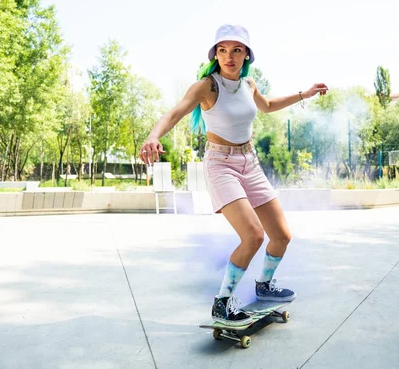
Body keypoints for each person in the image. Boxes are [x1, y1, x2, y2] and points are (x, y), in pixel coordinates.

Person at [139, 24, 328, 326]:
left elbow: (267, 106)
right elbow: (175, 112)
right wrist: (153, 135)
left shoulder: (249, 85)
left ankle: (264, 284)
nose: (229, 56)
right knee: (253, 236)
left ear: (246, 55)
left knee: (281, 236)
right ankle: (222, 302)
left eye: (237, 50)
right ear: (215, 54)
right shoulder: (206, 86)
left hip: (249, 162)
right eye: (223, 50)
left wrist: (304, 93)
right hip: (220, 164)